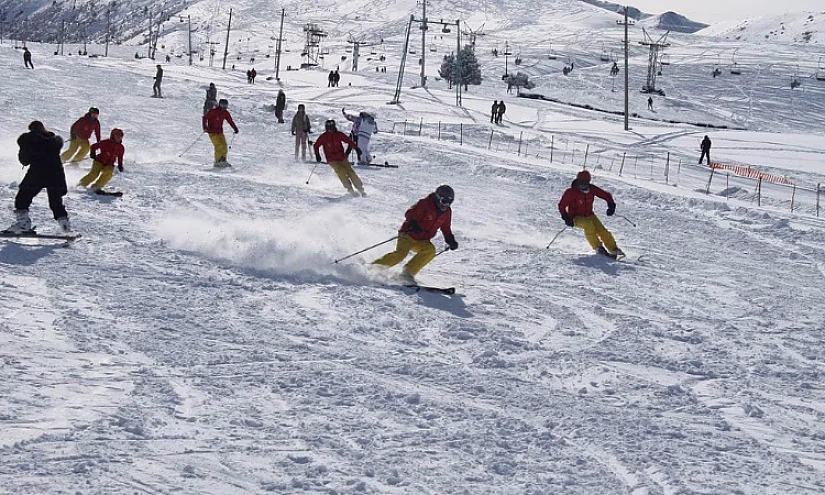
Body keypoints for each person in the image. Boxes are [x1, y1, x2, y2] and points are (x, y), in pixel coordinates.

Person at [373, 185, 458, 282]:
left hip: (422, 240)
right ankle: (373, 268)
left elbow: (445, 228)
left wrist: (450, 240)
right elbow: (409, 213)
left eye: (449, 203)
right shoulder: (425, 204)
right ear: (437, 198)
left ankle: (407, 273)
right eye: (444, 201)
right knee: (400, 255)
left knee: (430, 250)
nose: (446, 205)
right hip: (408, 235)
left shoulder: (447, 212)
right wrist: (413, 223)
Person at [5, 121, 71, 234]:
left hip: (38, 172)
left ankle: (23, 224)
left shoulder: (28, 140)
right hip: (56, 173)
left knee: (23, 198)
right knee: (56, 202)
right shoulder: (53, 140)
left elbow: (25, 161)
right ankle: (65, 227)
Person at [558, 170, 624, 258]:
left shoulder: (592, 189)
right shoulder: (571, 192)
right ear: (577, 181)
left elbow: (606, 195)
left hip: (590, 215)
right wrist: (566, 217)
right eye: (581, 182)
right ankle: (598, 248)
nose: (583, 184)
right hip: (575, 217)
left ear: (589, 182)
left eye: (585, 182)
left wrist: (611, 205)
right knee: (588, 226)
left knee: (602, 231)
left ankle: (613, 249)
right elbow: (561, 205)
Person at [313, 119, 364, 197]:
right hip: (332, 159)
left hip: (341, 157)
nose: (330, 130)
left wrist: (356, 148)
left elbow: (349, 141)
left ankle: (360, 189)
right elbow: (316, 145)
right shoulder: (324, 137)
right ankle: (350, 189)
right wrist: (317, 155)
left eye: (332, 128)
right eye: (329, 128)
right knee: (341, 172)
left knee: (350, 171)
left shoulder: (338, 134)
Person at [202, 99, 239, 167]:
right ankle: (217, 161)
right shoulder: (213, 111)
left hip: (220, 132)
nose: (225, 107)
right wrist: (205, 127)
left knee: (224, 145)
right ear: (220, 105)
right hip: (212, 132)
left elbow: (230, 121)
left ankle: (223, 160)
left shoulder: (225, 113)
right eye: (223, 105)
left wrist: (235, 128)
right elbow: (205, 118)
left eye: (226, 105)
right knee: (218, 145)